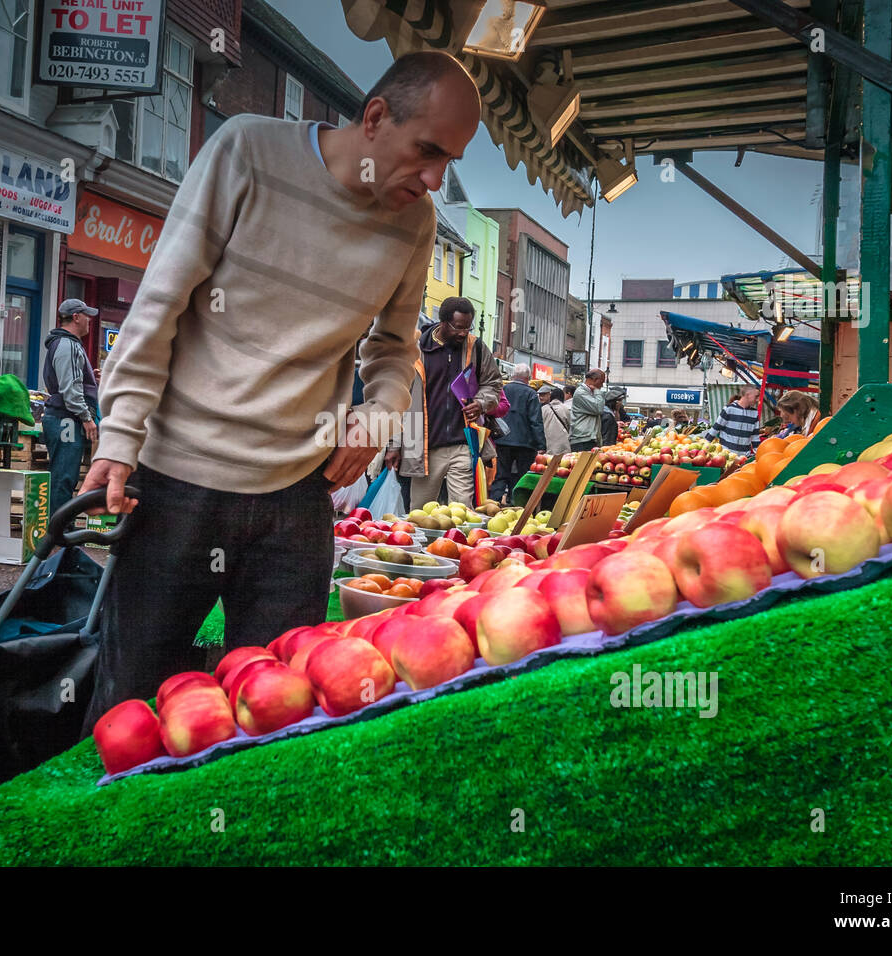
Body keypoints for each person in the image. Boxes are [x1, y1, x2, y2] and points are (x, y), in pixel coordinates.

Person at [78, 52, 482, 731]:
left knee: (281, 716)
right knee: (133, 705)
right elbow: (159, 305)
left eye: (451, 161)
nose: (436, 178)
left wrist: (378, 417)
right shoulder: (247, 150)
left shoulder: (413, 224)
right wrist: (119, 437)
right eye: (428, 151)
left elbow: (392, 350)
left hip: (297, 501)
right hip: (177, 482)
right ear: (376, 117)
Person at [385, 296, 502, 508]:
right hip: (423, 447)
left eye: (468, 327)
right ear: (443, 323)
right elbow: (397, 398)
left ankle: (458, 541)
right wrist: (393, 445)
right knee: (420, 512)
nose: (463, 333)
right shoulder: (416, 349)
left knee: (463, 512)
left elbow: (493, 384)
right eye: (458, 327)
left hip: (463, 443)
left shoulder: (475, 347)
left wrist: (481, 402)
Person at [42, 299, 100, 517]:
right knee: (63, 477)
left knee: (63, 476)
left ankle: (58, 529)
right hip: (66, 419)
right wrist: (86, 418)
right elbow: (69, 388)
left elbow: (69, 382)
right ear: (76, 317)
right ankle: (59, 533)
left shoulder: (65, 344)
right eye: (86, 315)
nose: (89, 321)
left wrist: (89, 381)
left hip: (62, 418)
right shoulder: (68, 344)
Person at [490, 364, 546, 502]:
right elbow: (535, 421)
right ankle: (517, 502)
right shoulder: (531, 394)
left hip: (503, 439)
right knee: (523, 474)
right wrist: (541, 444)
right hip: (525, 442)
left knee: (501, 473)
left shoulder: (503, 389)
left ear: (513, 376)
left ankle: (494, 502)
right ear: (528, 378)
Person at [705, 385, 762, 455]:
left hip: (744, 457)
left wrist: (760, 454)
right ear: (747, 395)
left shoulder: (754, 413)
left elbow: (755, 437)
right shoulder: (729, 409)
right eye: (756, 396)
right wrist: (704, 447)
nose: (758, 399)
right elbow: (715, 429)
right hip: (726, 455)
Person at [569, 368, 606, 451]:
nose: (602, 385)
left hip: (588, 438)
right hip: (582, 440)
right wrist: (597, 391)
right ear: (594, 380)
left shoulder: (589, 392)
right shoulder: (581, 392)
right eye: (601, 382)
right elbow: (598, 408)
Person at [540, 384, 571, 455]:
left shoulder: (543, 409)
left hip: (548, 442)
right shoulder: (565, 408)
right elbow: (569, 425)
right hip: (563, 443)